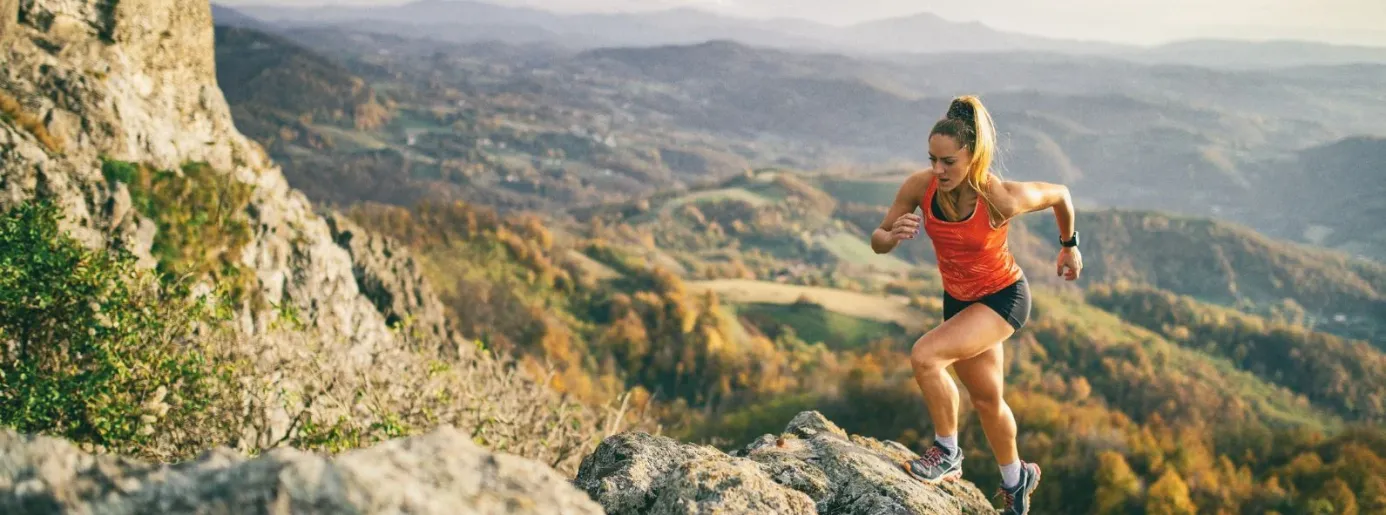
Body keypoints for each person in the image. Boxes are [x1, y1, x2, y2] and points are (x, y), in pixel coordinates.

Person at [870, 94, 1082, 514]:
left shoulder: (998, 197)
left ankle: (947, 453)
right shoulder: (919, 187)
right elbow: (877, 239)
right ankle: (1015, 478)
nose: (937, 169)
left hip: (1004, 298)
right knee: (987, 401)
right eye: (932, 158)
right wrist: (892, 236)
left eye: (948, 161)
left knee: (925, 357)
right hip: (962, 303)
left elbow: (1060, 194)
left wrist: (1068, 246)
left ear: (973, 156)